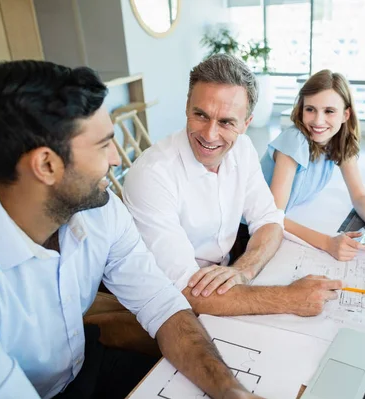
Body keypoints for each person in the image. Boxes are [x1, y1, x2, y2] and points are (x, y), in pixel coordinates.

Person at [0, 60, 262, 399]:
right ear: (46, 164)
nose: (117, 159)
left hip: (84, 366)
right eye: (104, 146)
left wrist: (231, 391)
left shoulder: (101, 211)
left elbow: (162, 303)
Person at [123, 54, 342, 317]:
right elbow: (186, 290)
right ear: (187, 107)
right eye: (201, 115)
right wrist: (290, 298)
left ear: (246, 124)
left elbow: (270, 220)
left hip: (222, 278)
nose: (210, 134)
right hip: (163, 303)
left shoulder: (243, 149)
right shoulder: (152, 175)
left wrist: (243, 271)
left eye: (226, 122)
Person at [261, 69, 365, 262]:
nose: (317, 121)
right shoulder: (294, 140)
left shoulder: (338, 141)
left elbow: (360, 195)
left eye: (329, 111)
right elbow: (273, 216)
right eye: (310, 109)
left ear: (345, 115)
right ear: (301, 109)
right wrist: (328, 243)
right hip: (249, 227)